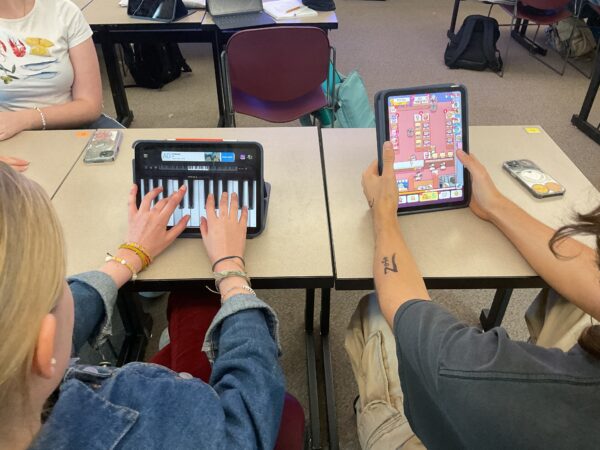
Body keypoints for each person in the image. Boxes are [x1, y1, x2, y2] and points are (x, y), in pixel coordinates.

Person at [0, 162, 291, 449]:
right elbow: (248, 421)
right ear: (43, 347)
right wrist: (231, 269)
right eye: (58, 282)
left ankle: (173, 341)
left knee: (186, 313)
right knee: (194, 299)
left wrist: (128, 256)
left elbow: (16, 324)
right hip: (186, 398)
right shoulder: (163, 431)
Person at [345, 142, 600, 449]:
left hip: (467, 419)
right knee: (570, 302)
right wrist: (494, 205)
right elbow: (590, 277)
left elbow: (405, 304)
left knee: (374, 311)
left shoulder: (472, 372)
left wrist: (383, 212)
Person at [0, 0, 118, 142]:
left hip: (73, 124)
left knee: (137, 157)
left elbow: (90, 105)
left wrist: (27, 119)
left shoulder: (63, 11)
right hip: (8, 135)